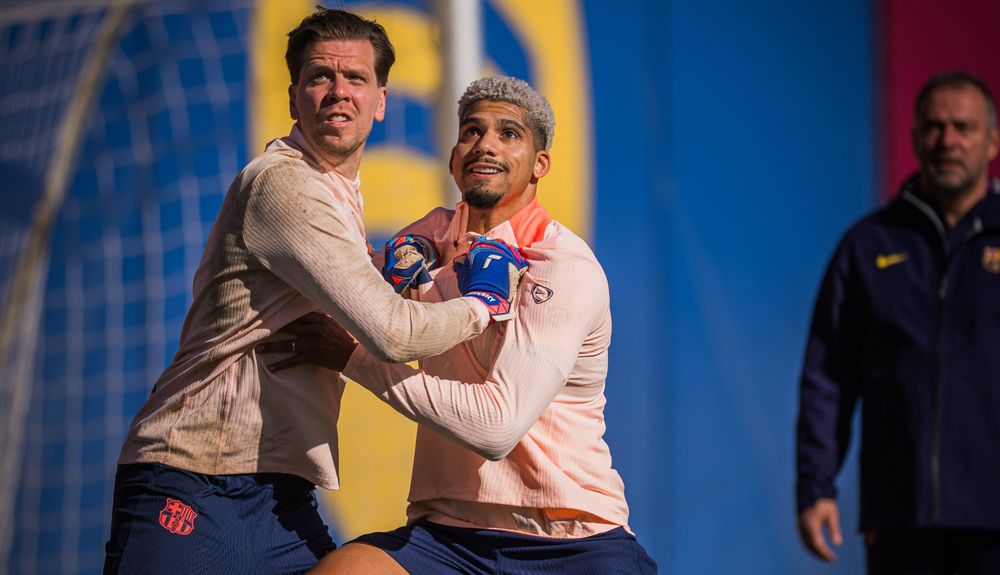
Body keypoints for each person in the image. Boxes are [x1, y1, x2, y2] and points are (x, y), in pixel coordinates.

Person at [103, 9, 526, 575]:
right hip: (194, 479)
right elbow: (392, 334)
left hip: (279, 496)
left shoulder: (336, 192)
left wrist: (392, 273)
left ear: (381, 101)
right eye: (320, 77)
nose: (338, 93)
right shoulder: (285, 184)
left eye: (355, 79)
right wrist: (483, 302)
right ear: (293, 96)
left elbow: (352, 313)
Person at [271, 76, 657, 574]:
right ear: (454, 159)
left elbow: (496, 427)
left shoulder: (562, 266)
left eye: (509, 134)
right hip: (447, 537)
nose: (486, 145)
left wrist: (353, 358)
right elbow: (327, 312)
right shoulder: (421, 247)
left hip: (570, 540)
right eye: (471, 132)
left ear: (541, 164)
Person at [796, 70, 1000, 574]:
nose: (948, 140)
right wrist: (816, 484)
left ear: (992, 140)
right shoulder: (870, 245)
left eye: (963, 127)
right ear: (914, 138)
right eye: (933, 127)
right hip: (900, 520)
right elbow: (828, 378)